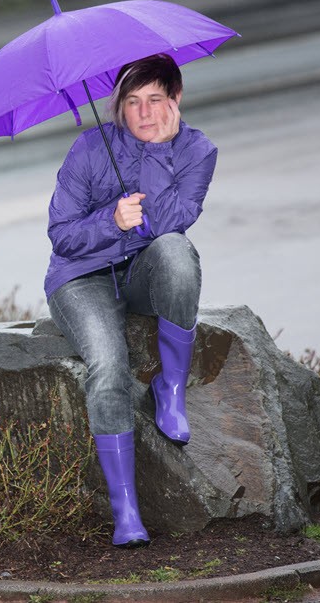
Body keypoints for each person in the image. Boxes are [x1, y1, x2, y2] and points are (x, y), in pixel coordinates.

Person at [44, 53, 217, 548]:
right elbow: (61, 237)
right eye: (132, 102)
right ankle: (127, 514)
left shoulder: (197, 151)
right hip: (82, 279)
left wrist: (160, 153)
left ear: (176, 100)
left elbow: (173, 224)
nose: (143, 113)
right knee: (108, 367)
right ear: (118, 105)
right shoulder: (88, 148)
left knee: (176, 252)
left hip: (143, 273)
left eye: (155, 100)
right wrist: (110, 222)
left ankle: (171, 390)